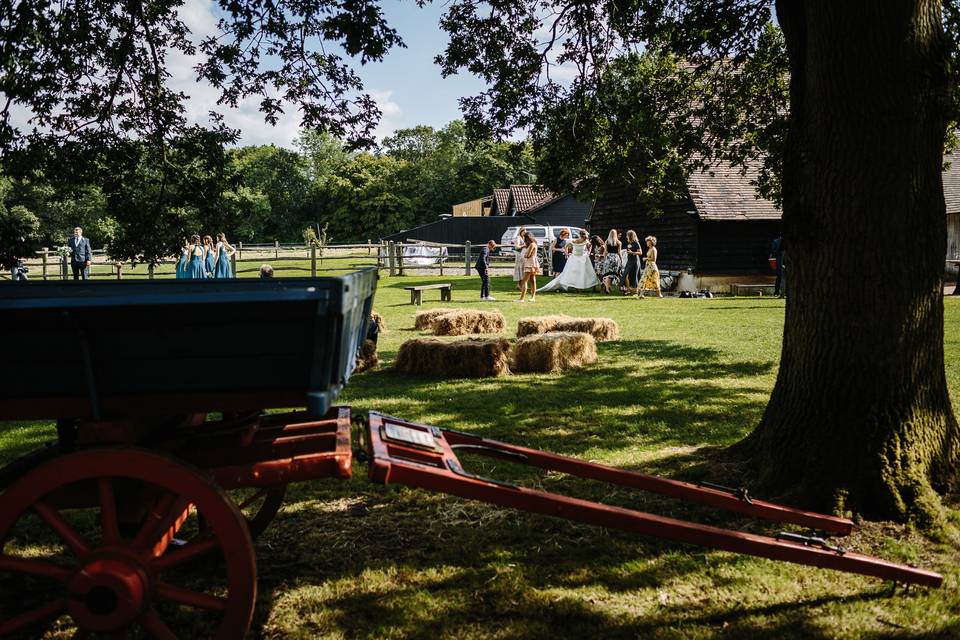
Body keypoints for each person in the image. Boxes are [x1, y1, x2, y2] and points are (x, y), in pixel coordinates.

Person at [518, 231, 541, 302]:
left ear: (528, 238)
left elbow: (528, 255)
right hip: (533, 263)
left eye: (525, 238)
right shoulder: (534, 244)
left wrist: (525, 255)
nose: (525, 240)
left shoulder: (531, 244)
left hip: (530, 263)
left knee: (524, 281)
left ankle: (521, 299)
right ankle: (533, 297)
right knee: (532, 280)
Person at [599, 229, 622, 294]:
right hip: (615, 258)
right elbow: (619, 252)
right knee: (612, 274)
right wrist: (621, 260)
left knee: (607, 274)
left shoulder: (606, 242)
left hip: (609, 258)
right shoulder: (619, 242)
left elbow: (605, 252)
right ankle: (608, 287)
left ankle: (607, 289)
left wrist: (603, 259)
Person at [623, 230, 642, 295]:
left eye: (627, 235)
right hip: (629, 261)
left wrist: (632, 253)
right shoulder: (629, 243)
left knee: (634, 275)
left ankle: (636, 292)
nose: (626, 236)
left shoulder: (636, 243)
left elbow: (640, 252)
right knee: (627, 275)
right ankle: (629, 289)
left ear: (630, 236)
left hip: (635, 261)